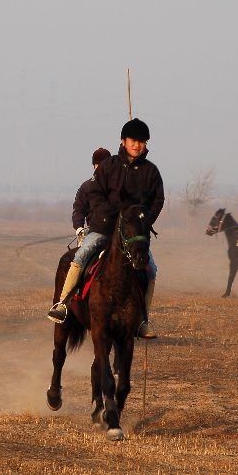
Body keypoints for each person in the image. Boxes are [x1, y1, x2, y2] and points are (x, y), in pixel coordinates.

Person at [47, 119, 164, 339]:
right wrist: (109, 215)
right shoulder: (109, 166)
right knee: (81, 255)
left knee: (151, 269)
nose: (137, 145)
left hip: (132, 234)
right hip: (103, 228)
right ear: (123, 141)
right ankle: (62, 304)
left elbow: (158, 199)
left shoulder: (151, 171)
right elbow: (95, 194)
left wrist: (143, 221)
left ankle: (142, 319)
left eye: (142, 141)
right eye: (133, 140)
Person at [72, 147, 112, 242]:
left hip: (117, 231)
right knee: (82, 254)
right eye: (98, 164)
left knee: (145, 252)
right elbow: (78, 210)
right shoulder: (86, 187)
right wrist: (79, 227)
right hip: (94, 231)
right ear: (94, 166)